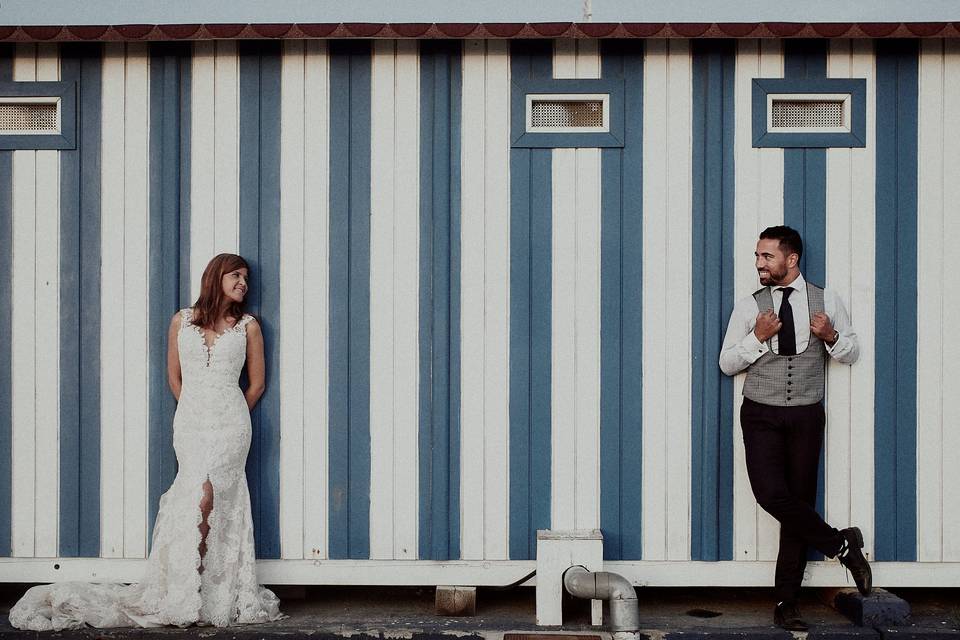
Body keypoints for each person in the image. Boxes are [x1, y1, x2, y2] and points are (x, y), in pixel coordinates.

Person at [10, 254, 283, 630]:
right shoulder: (181, 321)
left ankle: (211, 588)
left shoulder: (248, 326)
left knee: (217, 496)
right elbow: (174, 377)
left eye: (247, 278)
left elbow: (257, 384)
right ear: (216, 277)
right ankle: (183, 586)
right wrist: (192, 409)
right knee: (193, 495)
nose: (244, 284)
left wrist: (232, 411)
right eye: (237, 276)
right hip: (189, 423)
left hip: (231, 426)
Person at [719, 226, 871, 631]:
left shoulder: (826, 300)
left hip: (806, 414)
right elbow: (727, 362)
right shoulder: (750, 306)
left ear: (792, 259)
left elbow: (852, 351)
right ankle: (842, 544)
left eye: (767, 256)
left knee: (798, 505)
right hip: (761, 413)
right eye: (757, 256)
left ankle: (787, 601)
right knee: (771, 494)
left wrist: (831, 336)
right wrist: (757, 337)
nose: (759, 264)